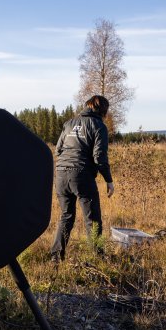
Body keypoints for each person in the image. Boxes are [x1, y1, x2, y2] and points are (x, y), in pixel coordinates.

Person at [50, 95, 114, 261]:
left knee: (66, 216)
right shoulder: (99, 126)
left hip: (61, 174)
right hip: (81, 174)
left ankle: (55, 257)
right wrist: (108, 180)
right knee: (92, 219)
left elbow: (58, 150)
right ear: (103, 110)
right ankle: (98, 258)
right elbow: (99, 156)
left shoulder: (69, 123)